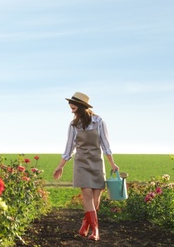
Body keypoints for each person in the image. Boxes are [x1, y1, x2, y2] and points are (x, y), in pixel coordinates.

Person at [53, 92, 119, 241]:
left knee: (96, 199)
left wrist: (112, 164)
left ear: (82, 106)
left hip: (96, 162)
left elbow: (106, 145)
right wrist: (60, 166)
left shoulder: (99, 121)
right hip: (81, 163)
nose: (71, 108)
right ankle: (95, 230)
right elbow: (69, 148)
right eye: (70, 105)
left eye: (73, 106)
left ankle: (86, 222)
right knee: (87, 195)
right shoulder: (73, 125)